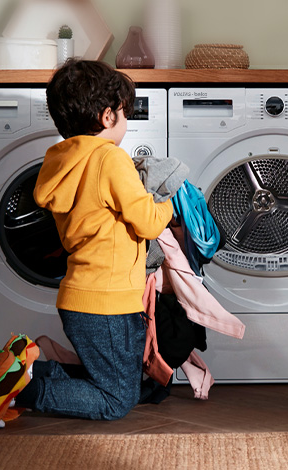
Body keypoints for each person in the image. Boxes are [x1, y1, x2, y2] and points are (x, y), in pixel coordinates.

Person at [13, 59, 174, 420]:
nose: (126, 121)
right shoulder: (109, 159)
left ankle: (30, 369)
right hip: (107, 303)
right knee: (116, 401)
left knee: (120, 381)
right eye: (123, 112)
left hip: (82, 297)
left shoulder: (59, 161)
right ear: (106, 116)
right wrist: (169, 203)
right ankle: (27, 389)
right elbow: (148, 222)